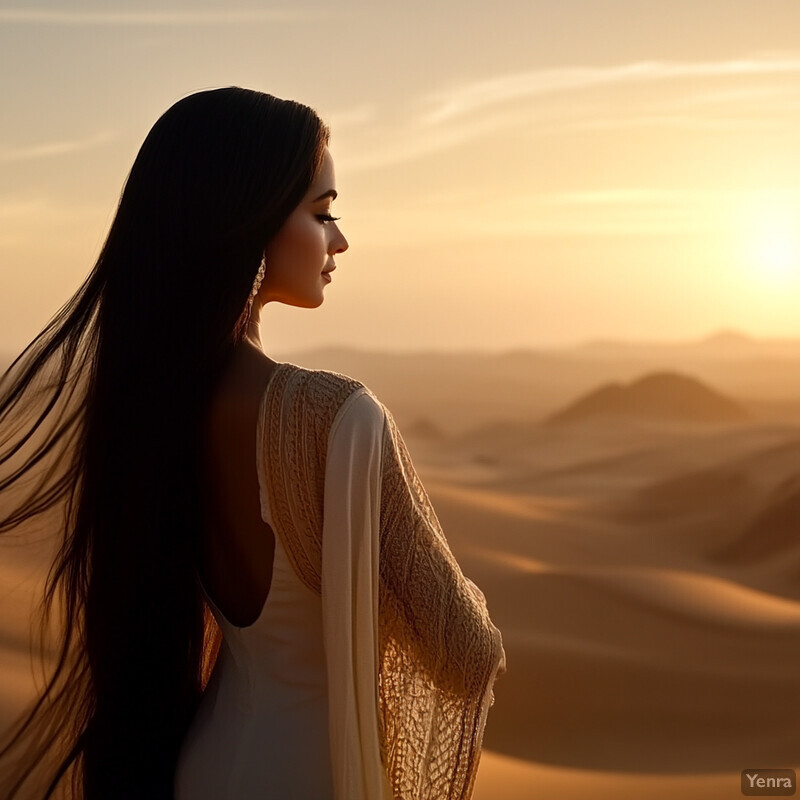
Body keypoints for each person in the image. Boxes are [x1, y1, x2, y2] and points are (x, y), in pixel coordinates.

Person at [0, 87, 506, 800]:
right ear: (250, 222)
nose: (339, 239)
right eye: (322, 213)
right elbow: (466, 650)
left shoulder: (154, 404)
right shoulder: (337, 417)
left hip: (201, 764)